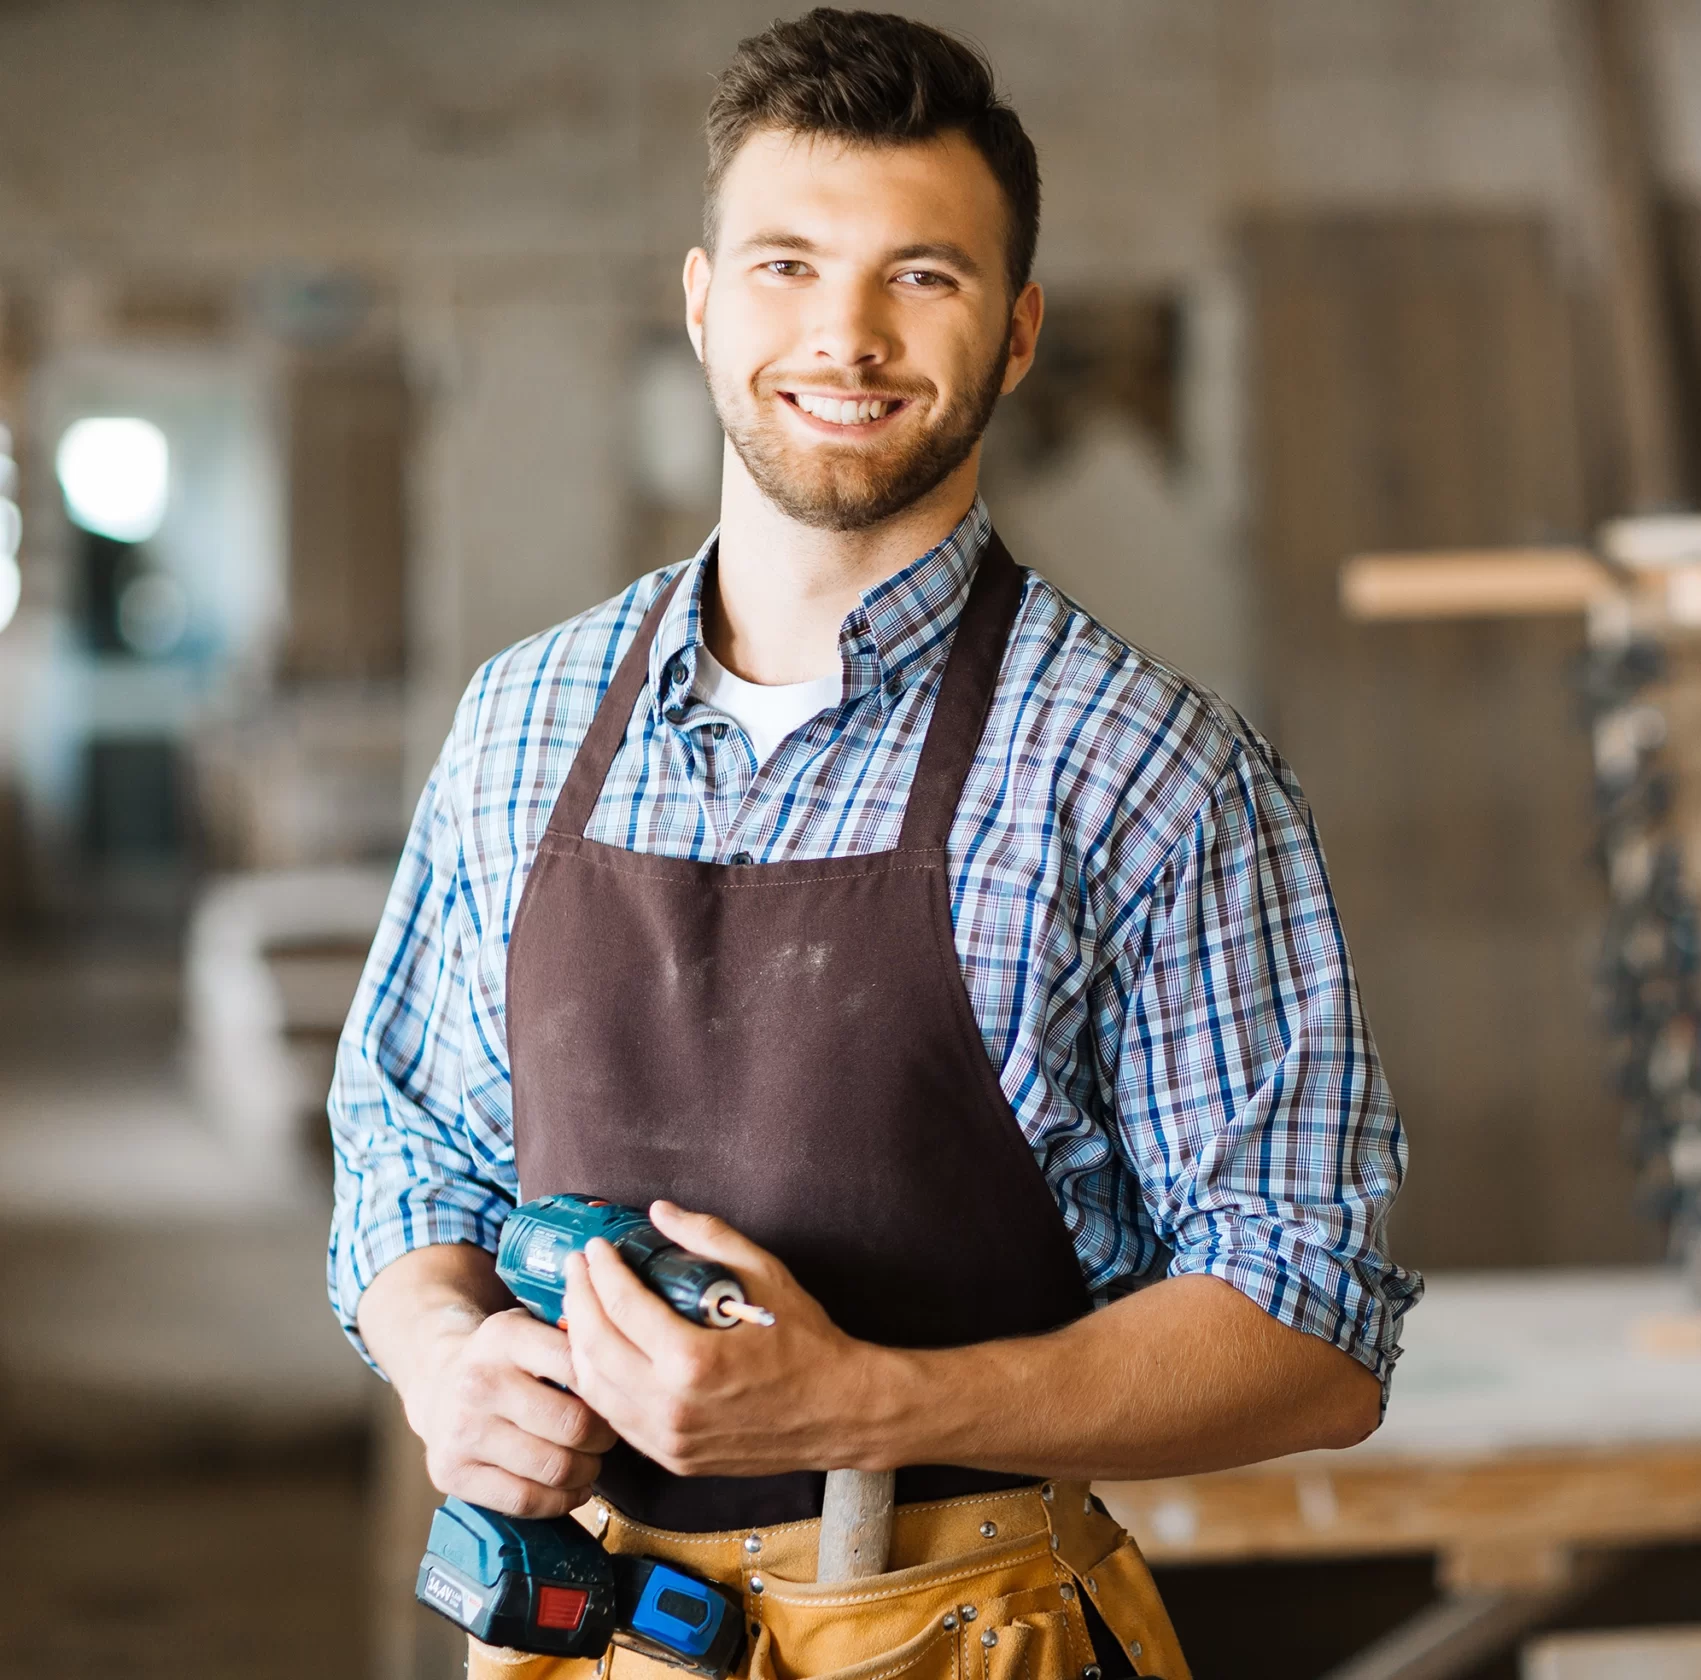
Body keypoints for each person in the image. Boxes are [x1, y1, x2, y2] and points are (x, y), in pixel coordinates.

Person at [326, 12, 1418, 1675]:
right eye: (785, 264)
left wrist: (873, 1403)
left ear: (1021, 327)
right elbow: (410, 1150)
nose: (844, 335)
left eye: (925, 276)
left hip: (962, 1631)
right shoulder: (524, 722)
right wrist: (444, 1364)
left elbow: (1313, 1322)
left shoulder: (1145, 771)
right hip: (591, 1631)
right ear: (701, 301)